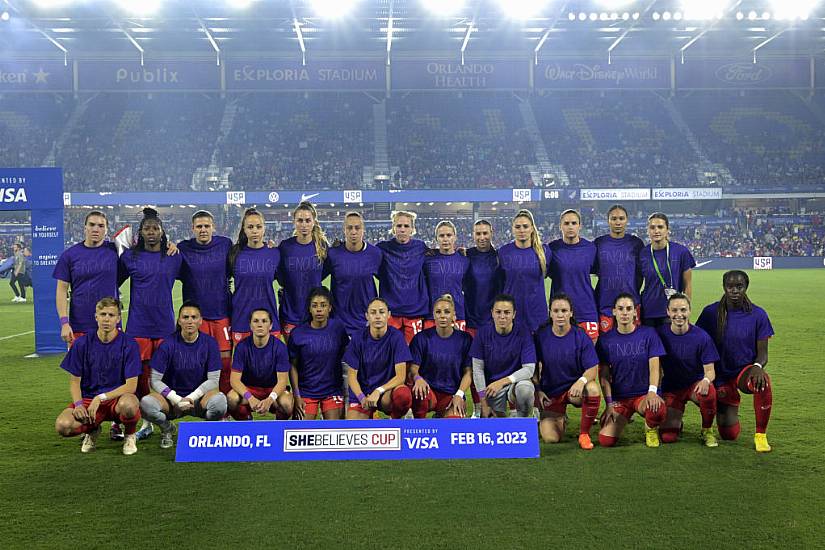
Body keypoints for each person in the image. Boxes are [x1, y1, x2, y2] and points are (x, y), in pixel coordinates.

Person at [118, 207, 183, 440]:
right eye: (147, 228)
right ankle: (143, 422)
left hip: (165, 327)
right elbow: (112, 281)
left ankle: (164, 418)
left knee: (163, 376)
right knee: (140, 379)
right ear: (141, 232)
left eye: (155, 228)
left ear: (163, 231)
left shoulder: (174, 257)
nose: (152, 232)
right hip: (138, 328)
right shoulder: (130, 257)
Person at [696, 270, 774, 452]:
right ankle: (730, 398)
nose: (734, 290)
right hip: (720, 374)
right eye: (730, 286)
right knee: (729, 434)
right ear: (724, 287)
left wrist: (757, 366)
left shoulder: (758, 314)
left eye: (739, 286)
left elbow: (763, 353)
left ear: (746, 287)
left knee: (763, 382)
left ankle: (761, 435)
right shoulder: (710, 312)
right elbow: (699, 343)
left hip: (744, 371)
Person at [54, 297, 141, 455]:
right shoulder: (81, 343)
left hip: (117, 400)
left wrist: (100, 398)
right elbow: (75, 381)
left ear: (118, 318)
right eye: (103, 314)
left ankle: (130, 434)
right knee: (63, 425)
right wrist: (79, 404)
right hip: (89, 400)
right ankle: (93, 430)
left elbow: (131, 386)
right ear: (96, 317)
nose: (106, 319)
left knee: (129, 405)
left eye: (111, 315)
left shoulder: (129, 344)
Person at [139, 302, 227, 449]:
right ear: (179, 321)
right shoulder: (167, 344)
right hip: (172, 402)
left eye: (194, 317)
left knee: (220, 403)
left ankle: (206, 431)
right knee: (146, 404)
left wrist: (191, 398)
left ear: (200, 321)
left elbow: (213, 380)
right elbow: (154, 380)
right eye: (185, 317)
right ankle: (167, 428)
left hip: (199, 400)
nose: (190, 321)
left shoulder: (210, 343)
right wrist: (176, 399)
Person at [597, 293, 666, 448]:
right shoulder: (605, 340)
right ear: (614, 312)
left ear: (636, 312)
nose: (625, 312)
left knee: (657, 410)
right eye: (620, 309)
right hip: (620, 398)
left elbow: (655, 367)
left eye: (629, 308)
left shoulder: (648, 334)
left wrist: (652, 392)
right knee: (606, 440)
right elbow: (604, 376)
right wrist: (609, 404)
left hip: (644, 395)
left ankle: (651, 428)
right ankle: (624, 418)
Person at [533, 294, 601, 450]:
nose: (560, 315)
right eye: (556, 311)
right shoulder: (541, 336)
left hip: (574, 390)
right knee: (551, 438)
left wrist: (581, 381)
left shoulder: (581, 336)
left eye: (564, 310)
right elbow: (533, 366)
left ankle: (584, 433)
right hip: (551, 393)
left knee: (592, 389)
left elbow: (592, 367)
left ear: (571, 313)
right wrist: (538, 390)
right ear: (550, 313)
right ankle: (560, 418)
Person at [177, 210, 233, 394]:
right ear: (192, 228)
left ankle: (224, 404)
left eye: (206, 226)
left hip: (221, 314)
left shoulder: (225, 244)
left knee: (225, 363)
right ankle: (200, 399)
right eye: (199, 226)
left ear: (213, 227)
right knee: (198, 362)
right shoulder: (182, 249)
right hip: (196, 317)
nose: (203, 230)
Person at [657, 293, 719, 447]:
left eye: (683, 310)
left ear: (690, 311)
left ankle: (707, 430)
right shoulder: (660, 334)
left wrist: (705, 380)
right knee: (668, 437)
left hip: (694, 386)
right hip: (671, 388)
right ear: (668, 312)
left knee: (709, 392)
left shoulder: (701, 337)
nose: (679, 315)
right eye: (675, 310)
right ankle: (676, 421)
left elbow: (710, 371)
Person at [53, 211, 119, 345]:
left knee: (112, 365)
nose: (96, 229)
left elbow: (144, 251)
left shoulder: (116, 251)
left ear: (106, 230)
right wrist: (64, 323)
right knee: (80, 366)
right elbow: (61, 290)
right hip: (79, 325)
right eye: (92, 224)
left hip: (110, 326)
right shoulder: (69, 255)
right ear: (85, 228)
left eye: (101, 226)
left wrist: (168, 245)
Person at [344, 297, 413, 419]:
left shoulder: (396, 337)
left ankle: (395, 420)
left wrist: (378, 390)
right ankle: (371, 413)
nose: (377, 316)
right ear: (367, 316)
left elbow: (400, 377)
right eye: (373, 312)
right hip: (363, 392)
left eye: (381, 312)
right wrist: (361, 397)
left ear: (388, 315)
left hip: (385, 392)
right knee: (354, 431)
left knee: (403, 395)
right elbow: (352, 376)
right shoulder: (358, 338)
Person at [470, 293, 536, 418]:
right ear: (492, 313)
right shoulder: (482, 333)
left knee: (525, 391)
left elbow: (529, 369)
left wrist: (503, 381)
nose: (502, 317)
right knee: (494, 425)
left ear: (514, 314)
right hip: (491, 388)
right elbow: (477, 369)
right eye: (498, 312)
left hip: (515, 383)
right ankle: (499, 415)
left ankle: (521, 422)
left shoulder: (523, 332)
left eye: (507, 312)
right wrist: (483, 401)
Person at [288, 287, 349, 420]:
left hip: (332, 391)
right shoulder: (298, 334)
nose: (319, 309)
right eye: (314, 306)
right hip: (306, 392)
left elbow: (346, 356)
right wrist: (297, 395)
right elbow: (292, 366)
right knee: (302, 435)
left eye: (323, 305)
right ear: (309, 309)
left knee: (334, 433)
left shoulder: (338, 329)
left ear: (330, 308)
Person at [410, 295, 473, 419]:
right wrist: (417, 378)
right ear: (433, 315)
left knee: (453, 424)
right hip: (429, 392)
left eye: (447, 312)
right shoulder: (421, 338)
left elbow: (468, 372)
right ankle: (419, 425)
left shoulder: (465, 339)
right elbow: (412, 369)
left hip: (452, 393)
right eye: (438, 312)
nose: (442, 316)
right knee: (419, 393)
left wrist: (459, 394)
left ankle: (441, 414)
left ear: (454, 316)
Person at [227, 309, 294, 420]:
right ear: (250, 325)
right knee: (231, 398)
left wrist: (270, 399)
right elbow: (234, 380)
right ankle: (246, 422)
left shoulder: (280, 347)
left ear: (271, 325)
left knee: (287, 403)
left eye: (264, 321)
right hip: (249, 389)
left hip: (272, 389)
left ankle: (278, 427)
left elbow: (282, 381)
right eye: (256, 321)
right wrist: (250, 398)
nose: (260, 325)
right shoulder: (242, 347)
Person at [324, 211, 382, 337]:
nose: (353, 231)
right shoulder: (333, 254)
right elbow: (316, 278)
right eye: (349, 228)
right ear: (344, 230)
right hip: (339, 323)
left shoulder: (375, 253)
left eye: (357, 228)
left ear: (363, 230)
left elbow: (387, 281)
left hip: (366, 322)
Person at [228, 208, 282, 344]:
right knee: (243, 363)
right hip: (241, 318)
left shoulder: (275, 253)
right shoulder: (234, 254)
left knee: (269, 363)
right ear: (244, 230)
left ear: (264, 228)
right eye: (250, 227)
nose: (254, 230)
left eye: (258, 226)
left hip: (269, 319)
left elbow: (284, 281)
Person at [278, 202, 328, 340]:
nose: (304, 224)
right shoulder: (285, 247)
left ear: (313, 222)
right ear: (294, 222)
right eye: (300, 220)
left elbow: (326, 272)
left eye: (307, 220)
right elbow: (280, 277)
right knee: (293, 359)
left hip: (315, 314)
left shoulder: (322, 247)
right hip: (290, 313)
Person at [377, 210, 428, 344]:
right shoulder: (382, 248)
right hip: (391, 312)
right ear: (393, 228)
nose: (402, 229)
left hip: (415, 311)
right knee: (391, 353)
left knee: (414, 354)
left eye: (406, 226)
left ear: (412, 229)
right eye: (399, 226)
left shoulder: (420, 247)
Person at [548, 209, 599, 342]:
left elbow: (599, 272)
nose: (570, 226)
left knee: (589, 357)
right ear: (560, 226)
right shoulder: (552, 249)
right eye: (566, 223)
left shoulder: (590, 248)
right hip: (560, 312)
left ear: (580, 225)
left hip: (586, 310)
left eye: (574, 223)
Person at [497, 209, 551, 333]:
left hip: (537, 315)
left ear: (532, 228)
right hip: (511, 314)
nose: (521, 230)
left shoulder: (545, 252)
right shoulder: (503, 252)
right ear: (512, 229)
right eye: (518, 227)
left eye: (525, 226)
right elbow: (500, 282)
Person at [638, 213, 695, 327]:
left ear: (667, 230)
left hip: (673, 311)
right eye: (652, 227)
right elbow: (638, 283)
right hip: (648, 310)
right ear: (648, 230)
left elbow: (688, 284)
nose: (656, 231)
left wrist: (686, 309)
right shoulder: (642, 254)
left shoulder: (681, 252)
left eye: (660, 227)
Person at [594, 204, 643, 334]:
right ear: (608, 220)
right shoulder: (599, 243)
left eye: (621, 218)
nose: (617, 222)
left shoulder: (636, 243)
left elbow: (640, 275)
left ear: (627, 220)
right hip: (605, 305)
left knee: (632, 340)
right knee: (606, 344)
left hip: (631, 305)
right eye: (614, 218)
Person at [423, 221, 469, 331]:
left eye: (449, 235)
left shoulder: (465, 260)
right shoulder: (427, 260)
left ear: (455, 237)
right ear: (436, 238)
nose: (445, 239)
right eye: (441, 235)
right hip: (432, 316)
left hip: (457, 314)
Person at [463, 219, 500, 338]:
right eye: (478, 234)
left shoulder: (499, 257)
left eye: (485, 233)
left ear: (491, 233)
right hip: (471, 319)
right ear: (473, 234)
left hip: (494, 320)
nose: (482, 237)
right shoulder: (466, 255)